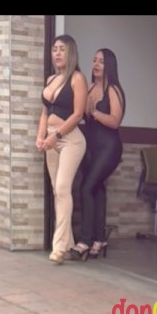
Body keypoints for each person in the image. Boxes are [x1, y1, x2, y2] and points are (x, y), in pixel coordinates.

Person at [36, 35, 88, 263]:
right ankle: (69, 244)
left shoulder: (77, 78)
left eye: (62, 49)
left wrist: (56, 136)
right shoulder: (51, 79)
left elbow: (77, 115)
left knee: (62, 188)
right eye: (54, 49)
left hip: (70, 140)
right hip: (51, 139)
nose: (57, 53)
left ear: (71, 53)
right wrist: (41, 136)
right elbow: (45, 112)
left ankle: (58, 248)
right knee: (58, 192)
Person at [70, 48, 125, 260]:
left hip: (109, 147)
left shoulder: (114, 90)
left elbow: (115, 121)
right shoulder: (90, 88)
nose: (96, 64)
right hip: (90, 146)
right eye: (94, 60)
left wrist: (94, 112)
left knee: (86, 187)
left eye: (101, 61)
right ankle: (99, 239)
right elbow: (80, 115)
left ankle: (84, 240)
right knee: (96, 189)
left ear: (109, 65)